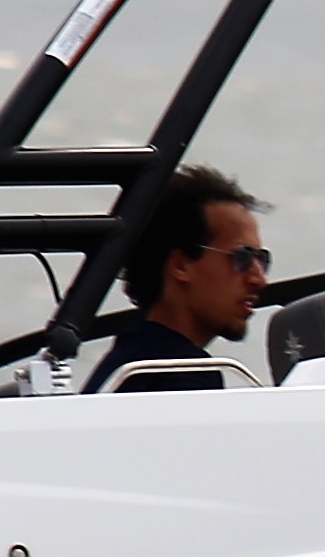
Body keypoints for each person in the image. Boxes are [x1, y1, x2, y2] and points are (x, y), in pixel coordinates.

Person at [85, 164, 268, 394]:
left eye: (262, 260)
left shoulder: (127, 363)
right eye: (242, 258)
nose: (259, 280)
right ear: (181, 265)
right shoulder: (182, 377)